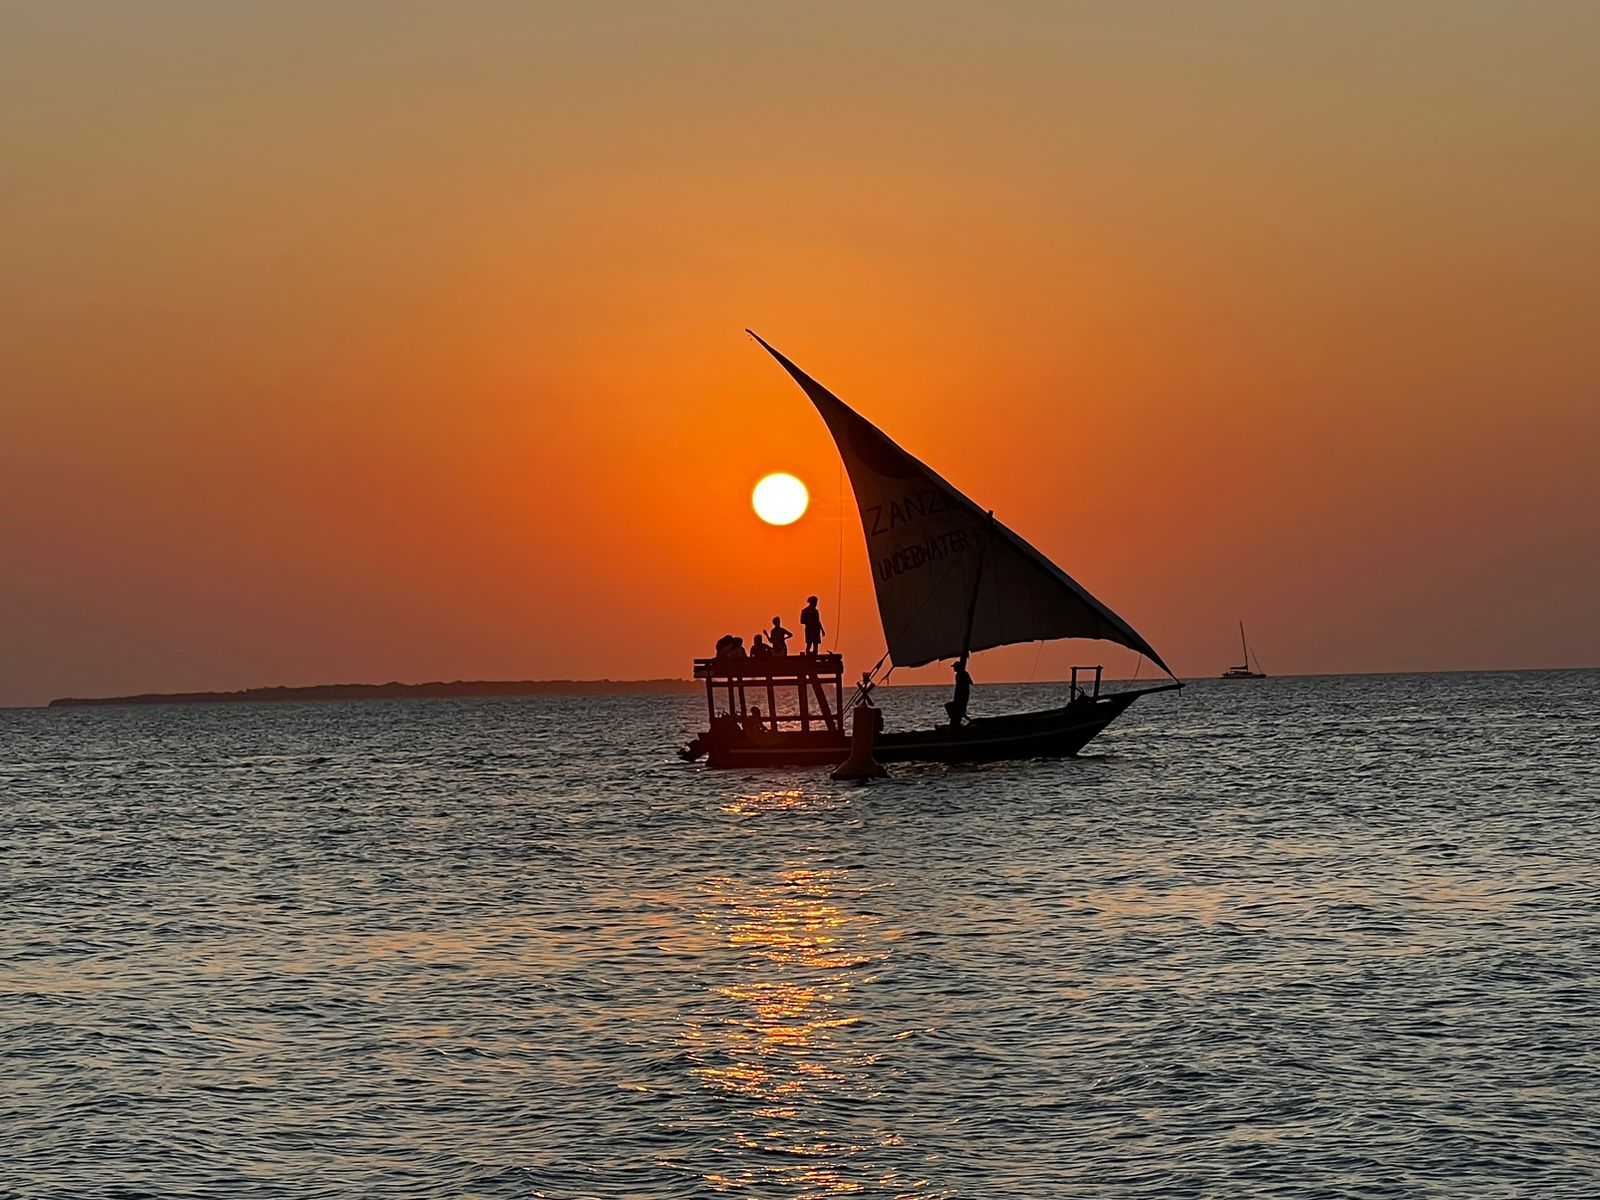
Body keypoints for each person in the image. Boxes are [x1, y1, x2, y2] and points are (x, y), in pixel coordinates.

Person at [945, 655, 973, 725]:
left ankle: (955, 721)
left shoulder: (962, 674)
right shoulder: (961, 674)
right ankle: (955, 720)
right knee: (955, 709)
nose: (953, 668)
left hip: (962, 697)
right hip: (961, 696)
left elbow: (969, 683)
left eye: (954, 667)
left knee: (950, 707)